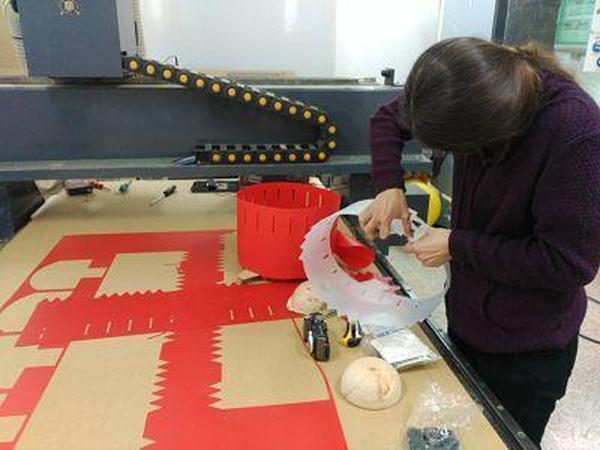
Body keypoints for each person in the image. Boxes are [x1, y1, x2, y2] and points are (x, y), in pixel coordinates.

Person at [359, 37, 600, 445]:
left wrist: (457, 245)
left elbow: (567, 263)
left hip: (526, 349)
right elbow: (388, 118)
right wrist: (388, 186)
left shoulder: (576, 135)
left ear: (489, 134)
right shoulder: (475, 83)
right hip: (468, 318)